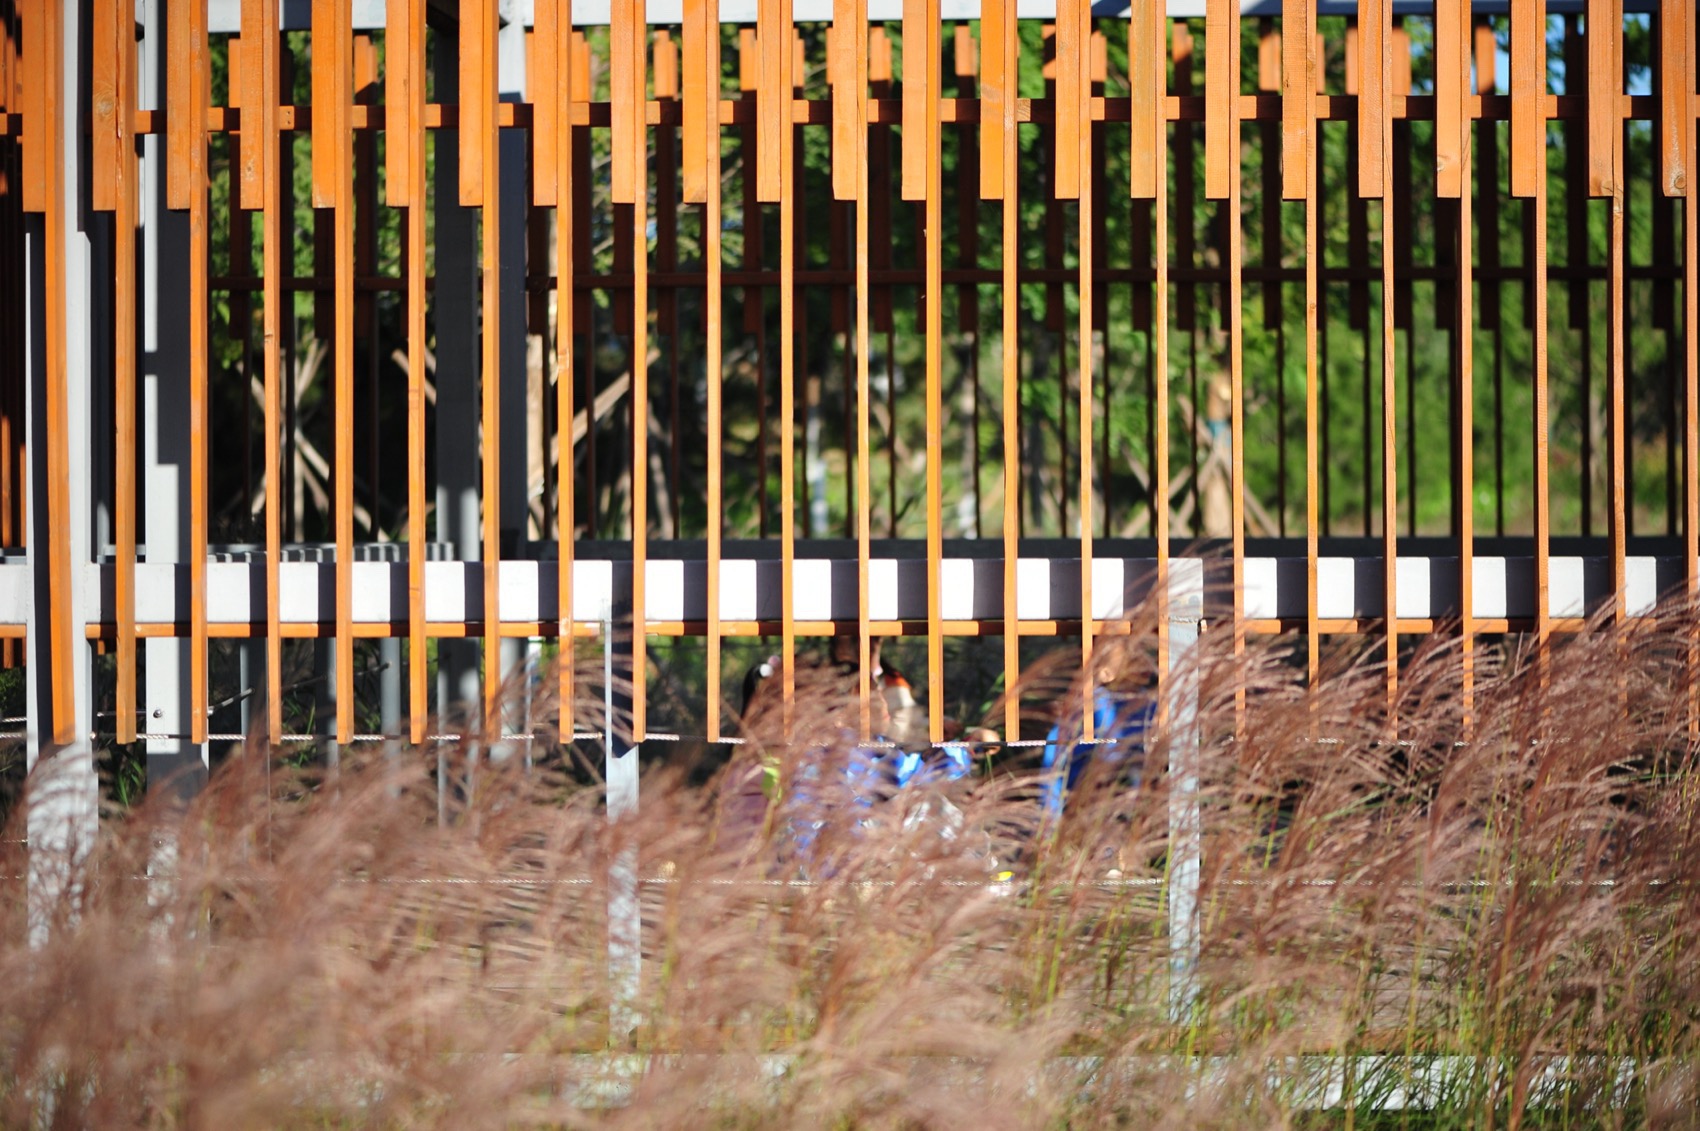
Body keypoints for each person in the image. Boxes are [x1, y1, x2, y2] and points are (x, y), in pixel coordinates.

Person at [1040, 662, 1157, 824]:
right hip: (1080, 792)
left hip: (1123, 790)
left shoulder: (1150, 704)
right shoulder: (1097, 703)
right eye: (1134, 654)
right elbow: (1103, 763)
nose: (1145, 660)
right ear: (1105, 672)